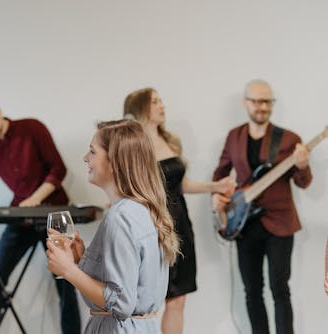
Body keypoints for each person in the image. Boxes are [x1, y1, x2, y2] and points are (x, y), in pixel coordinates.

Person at [46, 119, 179, 333]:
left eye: (92, 151)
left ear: (115, 161)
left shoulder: (120, 217)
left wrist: (69, 270)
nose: (85, 158)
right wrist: (80, 261)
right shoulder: (140, 210)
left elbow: (120, 302)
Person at [123, 87, 236, 334]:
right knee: (149, 301)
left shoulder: (169, 139)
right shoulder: (134, 146)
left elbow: (179, 185)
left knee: (178, 299)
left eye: (161, 101)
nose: (162, 106)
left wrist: (214, 186)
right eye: (155, 102)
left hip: (181, 223)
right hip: (154, 226)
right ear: (141, 108)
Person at [0, 97, 81, 334]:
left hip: (55, 212)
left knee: (66, 282)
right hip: (22, 218)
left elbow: (58, 169)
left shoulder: (31, 128)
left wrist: (35, 199)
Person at [212, 79, 312, 334]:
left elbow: (304, 182)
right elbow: (220, 175)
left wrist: (302, 165)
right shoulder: (234, 137)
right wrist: (218, 198)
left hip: (280, 223)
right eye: (256, 101)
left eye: (267, 101)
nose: (261, 107)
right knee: (251, 291)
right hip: (244, 224)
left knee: (280, 289)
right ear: (246, 103)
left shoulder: (289, 139)